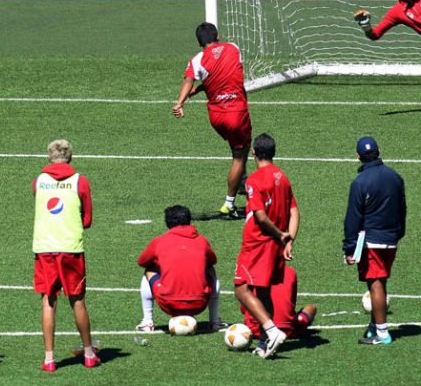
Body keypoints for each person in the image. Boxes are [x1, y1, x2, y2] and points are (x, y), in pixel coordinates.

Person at [32, 139, 101, 372]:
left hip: (44, 248)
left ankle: (49, 360)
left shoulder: (39, 181)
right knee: (77, 300)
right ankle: (89, 354)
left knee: (48, 301)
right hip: (71, 248)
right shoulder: (80, 181)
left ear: (48, 158)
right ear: (70, 157)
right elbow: (87, 220)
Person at [172, 22, 251, 218]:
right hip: (236, 112)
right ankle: (229, 202)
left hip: (216, 117)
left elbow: (191, 81)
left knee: (238, 149)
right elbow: (227, 74)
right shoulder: (233, 48)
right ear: (218, 35)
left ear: (199, 43)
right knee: (239, 155)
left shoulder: (197, 60)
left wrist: (180, 103)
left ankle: (241, 180)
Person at [233, 133, 300, 359]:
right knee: (263, 292)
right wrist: (289, 239)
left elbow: (260, 216)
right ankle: (264, 342)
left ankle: (271, 332)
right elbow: (294, 211)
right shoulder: (283, 176)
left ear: (253, 153)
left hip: (257, 244)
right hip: (274, 246)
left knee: (241, 289)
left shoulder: (254, 180)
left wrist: (280, 235)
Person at [343, 137, 406, 346]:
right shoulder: (395, 177)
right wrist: (398, 234)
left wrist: (349, 248)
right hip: (391, 239)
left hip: (371, 241)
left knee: (375, 283)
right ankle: (373, 326)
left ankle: (382, 333)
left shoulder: (359, 182)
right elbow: (402, 209)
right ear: (379, 151)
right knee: (380, 281)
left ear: (358, 156)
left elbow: (353, 217)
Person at [135, 204, 226, 332]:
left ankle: (147, 322)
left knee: (149, 269)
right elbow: (213, 261)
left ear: (167, 223)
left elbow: (142, 261)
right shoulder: (202, 240)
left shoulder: (159, 241)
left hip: (168, 303)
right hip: (199, 303)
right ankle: (215, 321)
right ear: (189, 221)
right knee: (210, 269)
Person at [241, 264, 318, 355]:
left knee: (242, 294)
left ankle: (266, 338)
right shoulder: (291, 272)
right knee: (311, 308)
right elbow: (292, 304)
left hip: (255, 329)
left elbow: (244, 308)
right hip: (286, 331)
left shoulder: (253, 269)